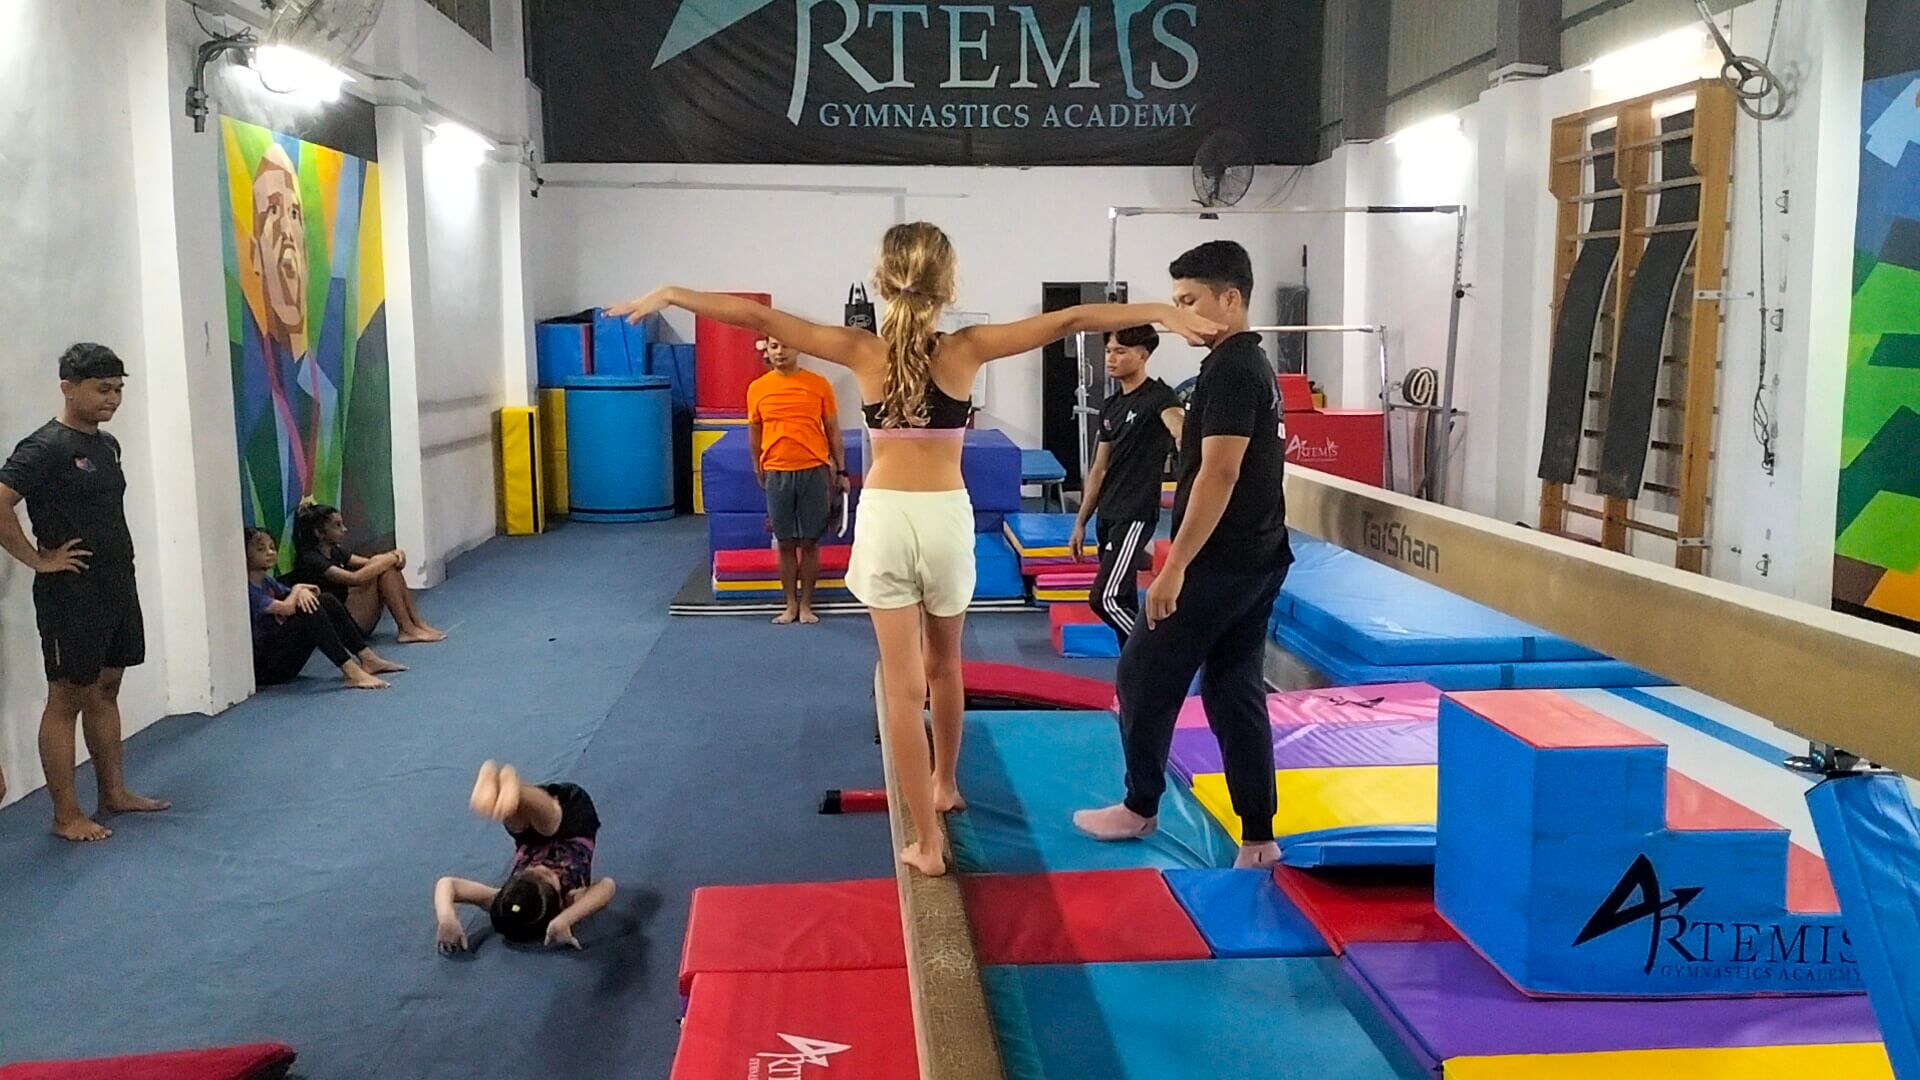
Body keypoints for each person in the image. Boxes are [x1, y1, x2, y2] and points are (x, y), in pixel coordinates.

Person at [610, 222, 1221, 877]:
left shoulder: (860, 350)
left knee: (900, 691)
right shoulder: (967, 350)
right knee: (945, 667)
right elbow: (1069, 317)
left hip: (887, 518)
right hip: (945, 520)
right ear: (947, 284)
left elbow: (758, 316)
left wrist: (674, 291)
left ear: (882, 281)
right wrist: (1157, 309)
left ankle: (927, 844)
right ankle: (946, 784)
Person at [1073, 241, 1294, 870]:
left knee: (1141, 675)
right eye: (1175, 303)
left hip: (1218, 564)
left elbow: (1219, 474)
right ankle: (1258, 838)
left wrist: (1174, 567)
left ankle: (1140, 806)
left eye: (1189, 301)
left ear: (1231, 299)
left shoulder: (1228, 370)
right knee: (1233, 690)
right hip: (1259, 557)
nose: (1181, 315)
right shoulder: (1255, 366)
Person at [0, 343, 169, 842]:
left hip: (116, 583)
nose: (112, 399)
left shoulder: (107, 445)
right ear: (68, 387)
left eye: (118, 389)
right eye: (102, 389)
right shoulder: (44, 447)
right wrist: (38, 559)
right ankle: (64, 815)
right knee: (67, 697)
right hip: (70, 593)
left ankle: (113, 792)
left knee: (107, 688)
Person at [1070, 326, 1184, 649]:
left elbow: (1177, 424)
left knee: (1105, 599)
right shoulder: (1110, 406)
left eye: (1120, 351)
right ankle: (1134, 688)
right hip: (1108, 516)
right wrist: (1080, 521)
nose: (1111, 358)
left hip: (1135, 515)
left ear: (1143, 355)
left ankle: (1154, 654)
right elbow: (1099, 468)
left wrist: (1183, 435)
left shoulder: (1159, 397)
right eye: (1109, 351)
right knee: (1125, 599)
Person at [434, 761, 617, 953]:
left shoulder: (499, 901)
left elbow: (448, 884)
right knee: (549, 826)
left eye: (528, 872)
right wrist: (565, 919)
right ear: (558, 902)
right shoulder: (570, 899)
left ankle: (502, 797)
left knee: (516, 824)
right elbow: (607, 886)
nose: (540, 868)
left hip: (528, 833)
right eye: (547, 876)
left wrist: (447, 918)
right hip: (570, 814)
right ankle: (516, 790)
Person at [748, 336, 849, 625]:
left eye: (786, 345)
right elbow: (754, 432)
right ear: (767, 350)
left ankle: (806, 605)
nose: (780, 352)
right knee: (785, 542)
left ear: (798, 348)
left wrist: (841, 472)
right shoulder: (757, 388)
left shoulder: (818, 384)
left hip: (814, 470)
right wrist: (757, 465)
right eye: (774, 346)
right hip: (777, 471)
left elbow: (833, 431)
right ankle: (790, 605)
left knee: (809, 542)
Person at [245, 528, 404, 690]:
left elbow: (314, 591)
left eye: (272, 547)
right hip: (268, 668)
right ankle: (351, 672)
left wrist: (302, 591)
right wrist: (299, 588)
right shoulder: (248, 592)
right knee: (310, 611)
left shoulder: (267, 582)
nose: (270, 553)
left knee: (324, 600)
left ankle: (368, 658)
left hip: (283, 657)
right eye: (261, 549)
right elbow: (287, 609)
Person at [286, 502, 445, 643]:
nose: (344, 529)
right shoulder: (310, 559)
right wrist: (390, 558)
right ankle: (407, 629)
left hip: (348, 608)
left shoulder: (333, 550)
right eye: (337, 526)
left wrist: (395, 555)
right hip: (340, 626)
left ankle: (416, 623)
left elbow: (369, 563)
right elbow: (355, 579)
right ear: (319, 533)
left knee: (386, 568)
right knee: (385, 568)